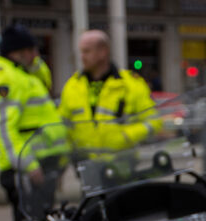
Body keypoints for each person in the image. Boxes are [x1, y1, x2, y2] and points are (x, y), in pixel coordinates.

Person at [0, 24, 68, 221]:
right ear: (18, 51)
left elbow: (44, 83)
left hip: (42, 165)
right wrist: (28, 164)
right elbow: (3, 130)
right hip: (27, 169)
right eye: (32, 50)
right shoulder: (4, 78)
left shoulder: (24, 73)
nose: (37, 55)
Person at [59, 30, 161, 160]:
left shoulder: (131, 84)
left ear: (103, 52)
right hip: (86, 165)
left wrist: (126, 136)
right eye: (81, 51)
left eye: (87, 51)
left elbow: (154, 122)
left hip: (122, 163)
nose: (82, 57)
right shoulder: (73, 85)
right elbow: (62, 125)